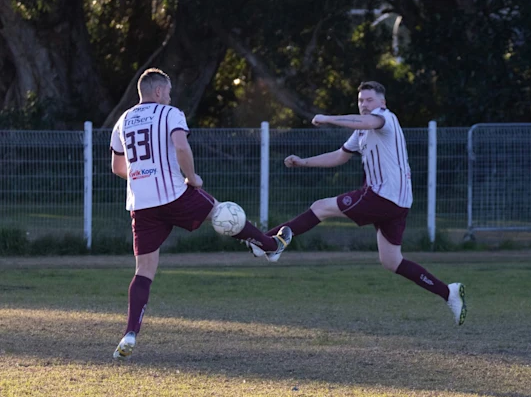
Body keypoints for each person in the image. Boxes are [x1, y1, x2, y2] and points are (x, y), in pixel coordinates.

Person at [109, 68, 291, 360]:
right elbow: (181, 146)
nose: (169, 97)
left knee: (144, 271)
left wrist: (143, 175)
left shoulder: (123, 120)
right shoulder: (170, 114)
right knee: (221, 211)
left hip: (141, 203)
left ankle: (130, 332)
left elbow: (118, 168)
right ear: (158, 92)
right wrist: (192, 177)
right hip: (173, 193)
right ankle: (270, 246)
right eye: (167, 92)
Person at [269, 81, 466, 324]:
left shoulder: (384, 118)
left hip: (382, 196)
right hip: (397, 203)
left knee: (321, 207)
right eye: (361, 100)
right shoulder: (362, 130)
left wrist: (328, 118)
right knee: (391, 261)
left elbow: (368, 121)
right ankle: (449, 293)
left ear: (382, 103)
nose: (364, 104)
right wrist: (304, 162)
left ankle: (268, 241)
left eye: (369, 100)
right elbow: (341, 156)